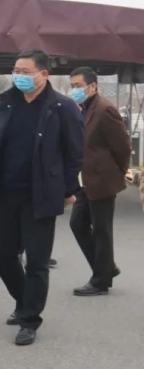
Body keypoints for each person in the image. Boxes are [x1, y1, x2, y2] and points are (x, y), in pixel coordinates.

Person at [0, 49, 83, 346]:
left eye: (25, 71)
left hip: (41, 195)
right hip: (7, 192)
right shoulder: (7, 102)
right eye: (16, 71)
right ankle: (25, 301)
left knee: (36, 262)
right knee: (1, 255)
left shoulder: (62, 107)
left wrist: (68, 189)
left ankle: (29, 320)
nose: (19, 76)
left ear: (44, 74)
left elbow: (75, 154)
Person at [68, 66, 130, 296]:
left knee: (102, 230)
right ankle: (106, 267)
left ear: (92, 86)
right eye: (72, 86)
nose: (74, 90)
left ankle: (100, 281)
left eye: (78, 85)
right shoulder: (83, 109)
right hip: (85, 181)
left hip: (102, 179)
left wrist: (119, 170)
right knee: (77, 224)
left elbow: (123, 145)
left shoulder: (104, 109)